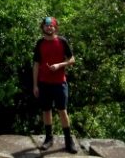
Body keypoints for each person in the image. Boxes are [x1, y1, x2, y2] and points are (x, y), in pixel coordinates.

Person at [33, 16, 77, 153]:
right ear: (43, 27)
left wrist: (60, 65)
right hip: (44, 83)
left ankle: (68, 141)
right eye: (47, 26)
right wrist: (35, 85)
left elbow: (72, 59)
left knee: (62, 111)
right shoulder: (40, 43)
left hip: (60, 83)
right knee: (46, 111)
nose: (49, 27)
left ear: (55, 27)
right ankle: (48, 139)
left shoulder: (62, 41)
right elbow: (36, 65)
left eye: (51, 25)